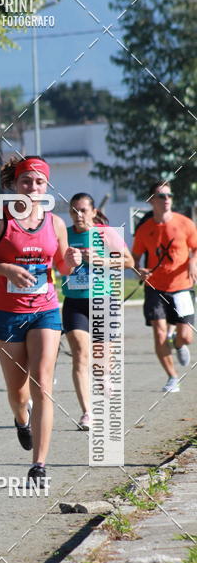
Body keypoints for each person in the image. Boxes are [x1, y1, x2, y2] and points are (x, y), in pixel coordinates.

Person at [0, 156, 81, 486]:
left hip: (45, 309)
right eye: (25, 182)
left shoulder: (55, 224)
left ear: (46, 186)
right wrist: (3, 269)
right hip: (6, 313)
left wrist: (71, 262)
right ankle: (22, 420)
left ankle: (39, 465)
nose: (32, 188)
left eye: (38, 182)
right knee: (19, 394)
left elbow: (61, 266)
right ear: (14, 185)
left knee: (42, 381)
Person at [62, 193, 133, 429]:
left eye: (83, 210)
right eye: (74, 211)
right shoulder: (65, 234)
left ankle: (103, 377)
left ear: (93, 212)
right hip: (75, 301)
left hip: (103, 300)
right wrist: (67, 261)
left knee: (101, 361)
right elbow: (55, 263)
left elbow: (128, 262)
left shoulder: (105, 233)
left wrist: (100, 260)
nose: (78, 215)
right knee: (81, 354)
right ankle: (87, 413)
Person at [131, 180, 197, 392]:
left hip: (182, 287)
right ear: (151, 201)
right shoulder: (144, 230)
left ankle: (177, 344)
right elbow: (134, 258)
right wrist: (139, 271)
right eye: (161, 196)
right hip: (155, 288)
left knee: (186, 336)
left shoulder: (185, 223)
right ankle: (172, 377)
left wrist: (193, 263)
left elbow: (195, 248)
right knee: (159, 332)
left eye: (169, 195)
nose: (166, 199)